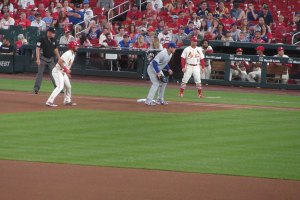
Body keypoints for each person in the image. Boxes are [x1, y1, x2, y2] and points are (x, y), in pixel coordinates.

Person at [45, 41, 79, 107]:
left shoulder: (73, 54)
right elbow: (59, 62)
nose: (77, 47)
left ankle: (67, 101)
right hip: (57, 71)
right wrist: (66, 70)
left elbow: (67, 65)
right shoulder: (68, 53)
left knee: (68, 86)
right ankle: (49, 101)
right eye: (76, 46)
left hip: (63, 72)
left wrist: (66, 72)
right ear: (72, 47)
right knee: (60, 86)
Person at [33, 27, 61, 94]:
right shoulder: (42, 39)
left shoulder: (54, 40)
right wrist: (38, 59)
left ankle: (57, 88)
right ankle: (36, 88)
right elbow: (37, 49)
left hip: (51, 59)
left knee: (54, 74)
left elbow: (55, 49)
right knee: (40, 74)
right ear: (49, 32)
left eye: (54, 33)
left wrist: (59, 58)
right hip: (43, 59)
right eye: (52, 32)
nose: (53, 34)